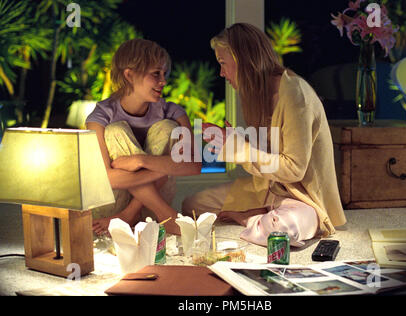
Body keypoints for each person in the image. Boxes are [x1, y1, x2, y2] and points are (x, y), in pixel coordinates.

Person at [182, 23, 346, 246]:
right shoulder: (257, 94)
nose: (221, 73)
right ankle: (259, 213)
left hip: (301, 197)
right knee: (193, 206)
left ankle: (251, 217)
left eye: (223, 63)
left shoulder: (295, 94)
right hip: (268, 189)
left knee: (279, 229)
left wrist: (239, 147)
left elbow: (294, 170)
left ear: (243, 60)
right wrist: (236, 143)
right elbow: (263, 159)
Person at [86, 39, 201, 236]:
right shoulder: (100, 116)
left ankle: (130, 215)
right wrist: (164, 168)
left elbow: (193, 166)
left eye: (164, 74)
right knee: (115, 131)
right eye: (156, 74)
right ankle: (167, 216)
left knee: (168, 127)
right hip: (112, 208)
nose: (163, 81)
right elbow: (105, 178)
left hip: (149, 212)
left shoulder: (172, 111)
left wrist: (140, 160)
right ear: (129, 75)